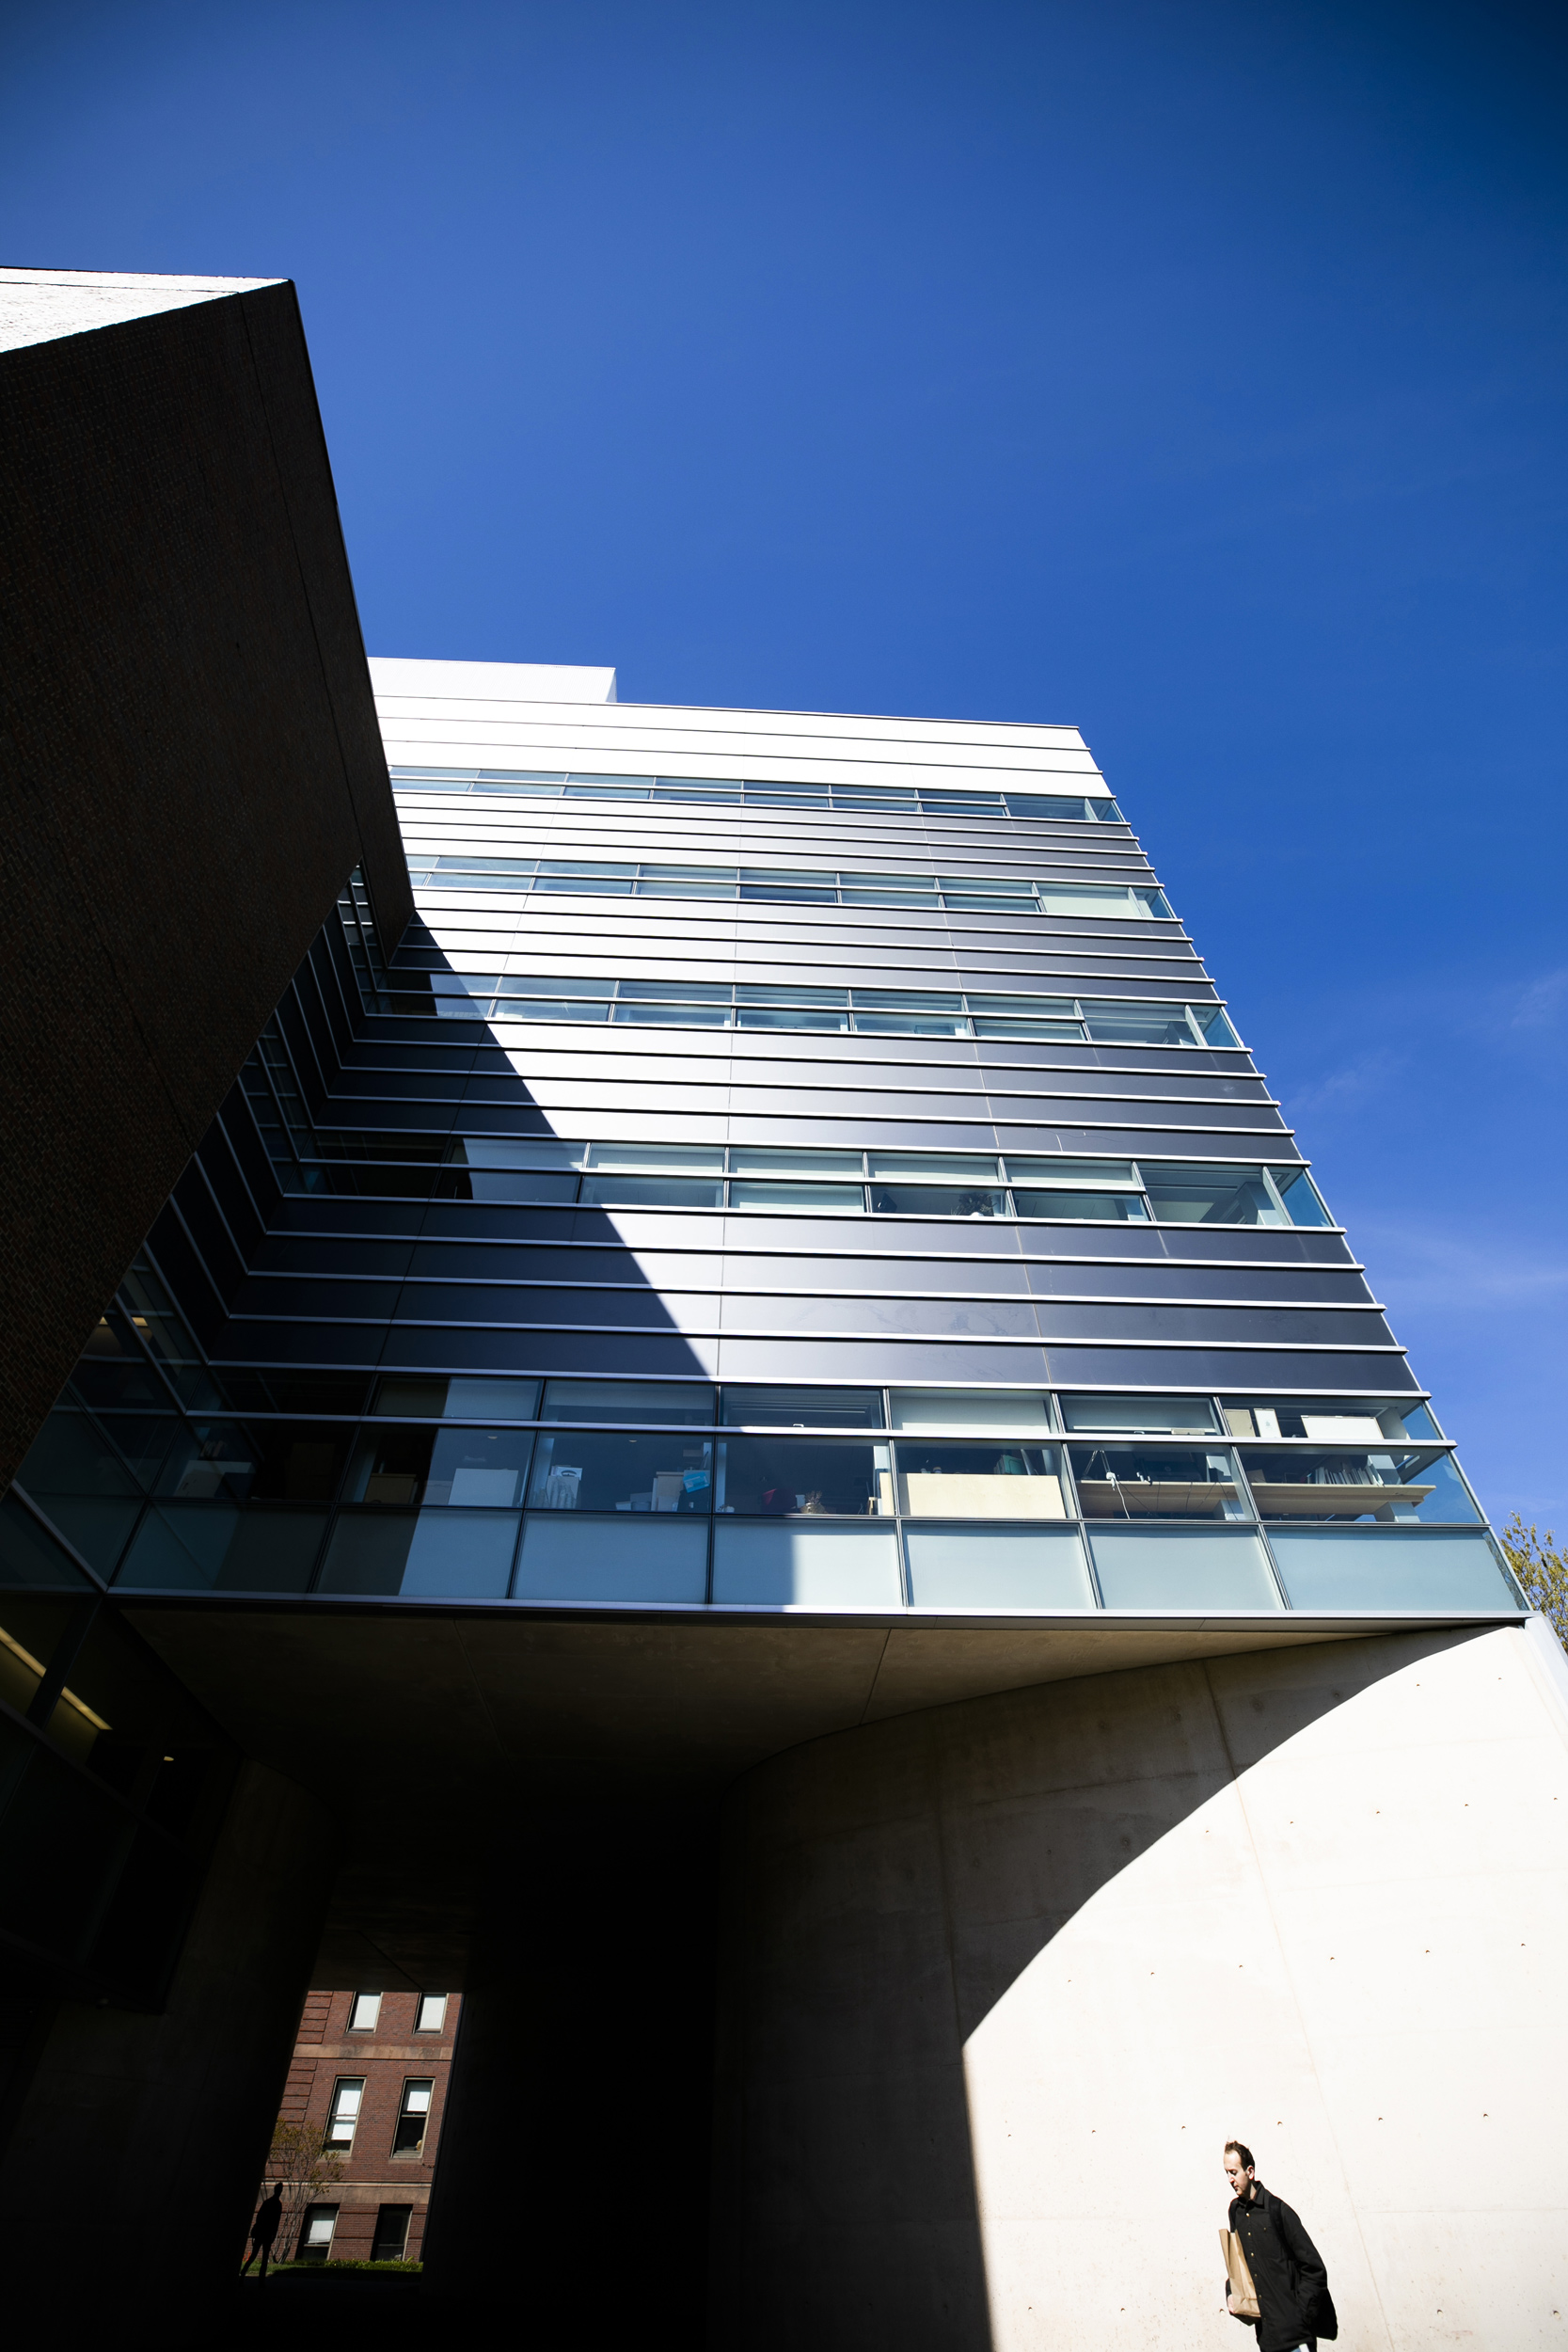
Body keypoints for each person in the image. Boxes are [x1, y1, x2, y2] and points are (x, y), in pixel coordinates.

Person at [1223, 2141, 1338, 2348]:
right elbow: (1238, 2265)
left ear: (1250, 2171)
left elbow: (1315, 2269)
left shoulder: (1278, 2211)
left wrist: (1301, 2317)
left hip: (1297, 2339)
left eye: (1233, 2172)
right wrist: (1231, 2293)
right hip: (1267, 2340)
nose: (1230, 2179)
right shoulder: (1235, 2212)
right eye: (1226, 2173)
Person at [241, 2182, 285, 2279]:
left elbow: (259, 2217)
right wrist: (273, 2233)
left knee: (254, 2255)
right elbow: (276, 2221)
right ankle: (260, 2279)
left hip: (262, 2232)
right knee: (263, 2257)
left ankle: (244, 2273)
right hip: (267, 2233)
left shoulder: (268, 2202)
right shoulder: (277, 2204)